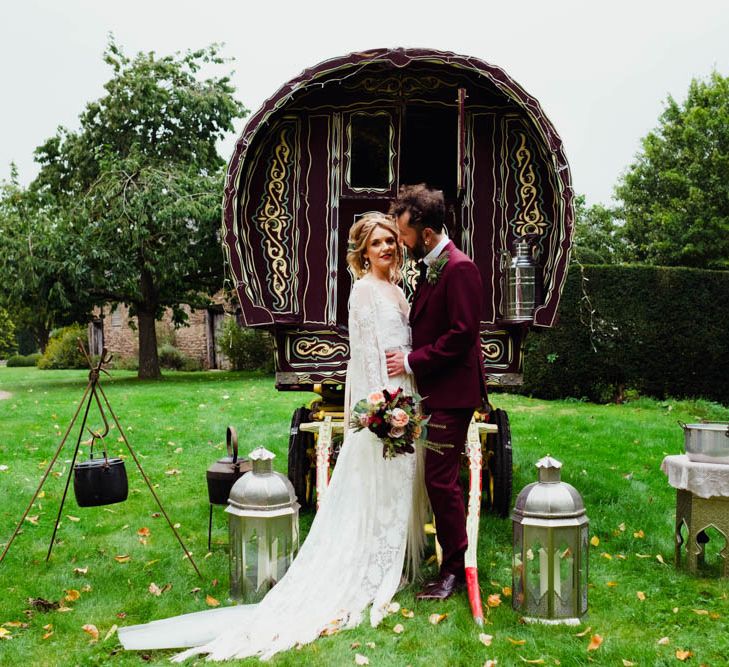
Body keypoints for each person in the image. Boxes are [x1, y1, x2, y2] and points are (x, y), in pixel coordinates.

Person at [118, 212, 428, 661]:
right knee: (375, 483)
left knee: (401, 480)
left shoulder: (399, 291)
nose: (387, 248)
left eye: (391, 242)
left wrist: (409, 385)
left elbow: (404, 343)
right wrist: (381, 407)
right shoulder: (362, 291)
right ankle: (371, 565)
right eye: (377, 243)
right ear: (362, 253)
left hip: (406, 391)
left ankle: (393, 561)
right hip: (383, 399)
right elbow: (362, 357)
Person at [386, 184, 487, 601]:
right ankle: (450, 559)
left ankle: (452, 568)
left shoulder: (459, 268)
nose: (401, 241)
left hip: (453, 393)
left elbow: (462, 336)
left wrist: (411, 362)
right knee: (439, 479)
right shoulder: (432, 266)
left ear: (426, 234)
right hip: (436, 390)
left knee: (440, 481)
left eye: (405, 234)